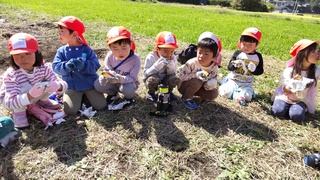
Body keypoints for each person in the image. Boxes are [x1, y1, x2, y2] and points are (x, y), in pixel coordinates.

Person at [0, 33, 67, 128]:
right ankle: (19, 113)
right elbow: (10, 102)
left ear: (36, 53)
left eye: (28, 53)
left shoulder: (44, 68)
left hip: (34, 94)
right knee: (25, 86)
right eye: (17, 54)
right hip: (15, 100)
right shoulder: (12, 75)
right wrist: (30, 95)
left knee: (47, 84)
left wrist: (58, 85)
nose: (23, 58)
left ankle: (42, 101)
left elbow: (63, 84)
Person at [52, 16, 107, 114]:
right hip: (71, 85)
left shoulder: (86, 49)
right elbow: (55, 67)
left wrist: (84, 65)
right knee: (70, 110)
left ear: (74, 33)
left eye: (62, 32)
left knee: (101, 105)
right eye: (59, 32)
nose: (59, 35)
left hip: (89, 83)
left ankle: (85, 97)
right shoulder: (61, 51)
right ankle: (79, 98)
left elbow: (95, 65)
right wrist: (66, 66)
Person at [271, 39, 320, 122]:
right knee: (277, 111)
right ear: (302, 54)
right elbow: (285, 89)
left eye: (318, 51)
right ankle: (284, 107)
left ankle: (295, 109)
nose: (317, 54)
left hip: (302, 100)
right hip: (285, 96)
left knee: (296, 116)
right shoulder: (289, 70)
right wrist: (293, 84)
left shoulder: (316, 71)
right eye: (313, 52)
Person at [94, 26, 141, 110]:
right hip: (113, 83)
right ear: (110, 48)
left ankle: (129, 99)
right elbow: (107, 70)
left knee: (128, 88)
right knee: (97, 84)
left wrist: (120, 79)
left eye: (124, 48)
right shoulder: (109, 56)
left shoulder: (135, 60)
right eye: (115, 48)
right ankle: (113, 94)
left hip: (127, 83)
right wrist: (104, 76)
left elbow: (132, 78)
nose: (120, 52)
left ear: (131, 45)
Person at [219, 27, 264, 105]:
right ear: (240, 42)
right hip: (233, 80)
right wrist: (234, 65)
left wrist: (254, 70)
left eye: (250, 45)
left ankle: (238, 95)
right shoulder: (238, 53)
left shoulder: (258, 57)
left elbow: (260, 71)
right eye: (244, 44)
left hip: (246, 83)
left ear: (257, 44)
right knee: (224, 93)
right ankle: (226, 82)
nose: (246, 47)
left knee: (248, 97)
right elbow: (229, 67)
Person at [177, 32, 222, 109]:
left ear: (215, 56)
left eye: (206, 54)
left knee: (214, 93)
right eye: (199, 52)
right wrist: (195, 75)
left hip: (199, 87)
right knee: (197, 81)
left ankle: (198, 96)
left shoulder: (214, 67)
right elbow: (181, 77)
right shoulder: (192, 63)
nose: (201, 56)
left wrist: (210, 84)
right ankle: (186, 97)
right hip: (184, 86)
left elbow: (213, 78)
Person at [143, 31, 179, 102]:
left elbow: (173, 74)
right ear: (157, 48)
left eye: (172, 51)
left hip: (165, 79)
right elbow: (146, 74)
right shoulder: (151, 57)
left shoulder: (173, 58)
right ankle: (151, 92)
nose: (169, 54)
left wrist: (171, 67)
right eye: (165, 51)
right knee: (152, 79)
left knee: (174, 78)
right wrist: (156, 67)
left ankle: (168, 91)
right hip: (155, 79)